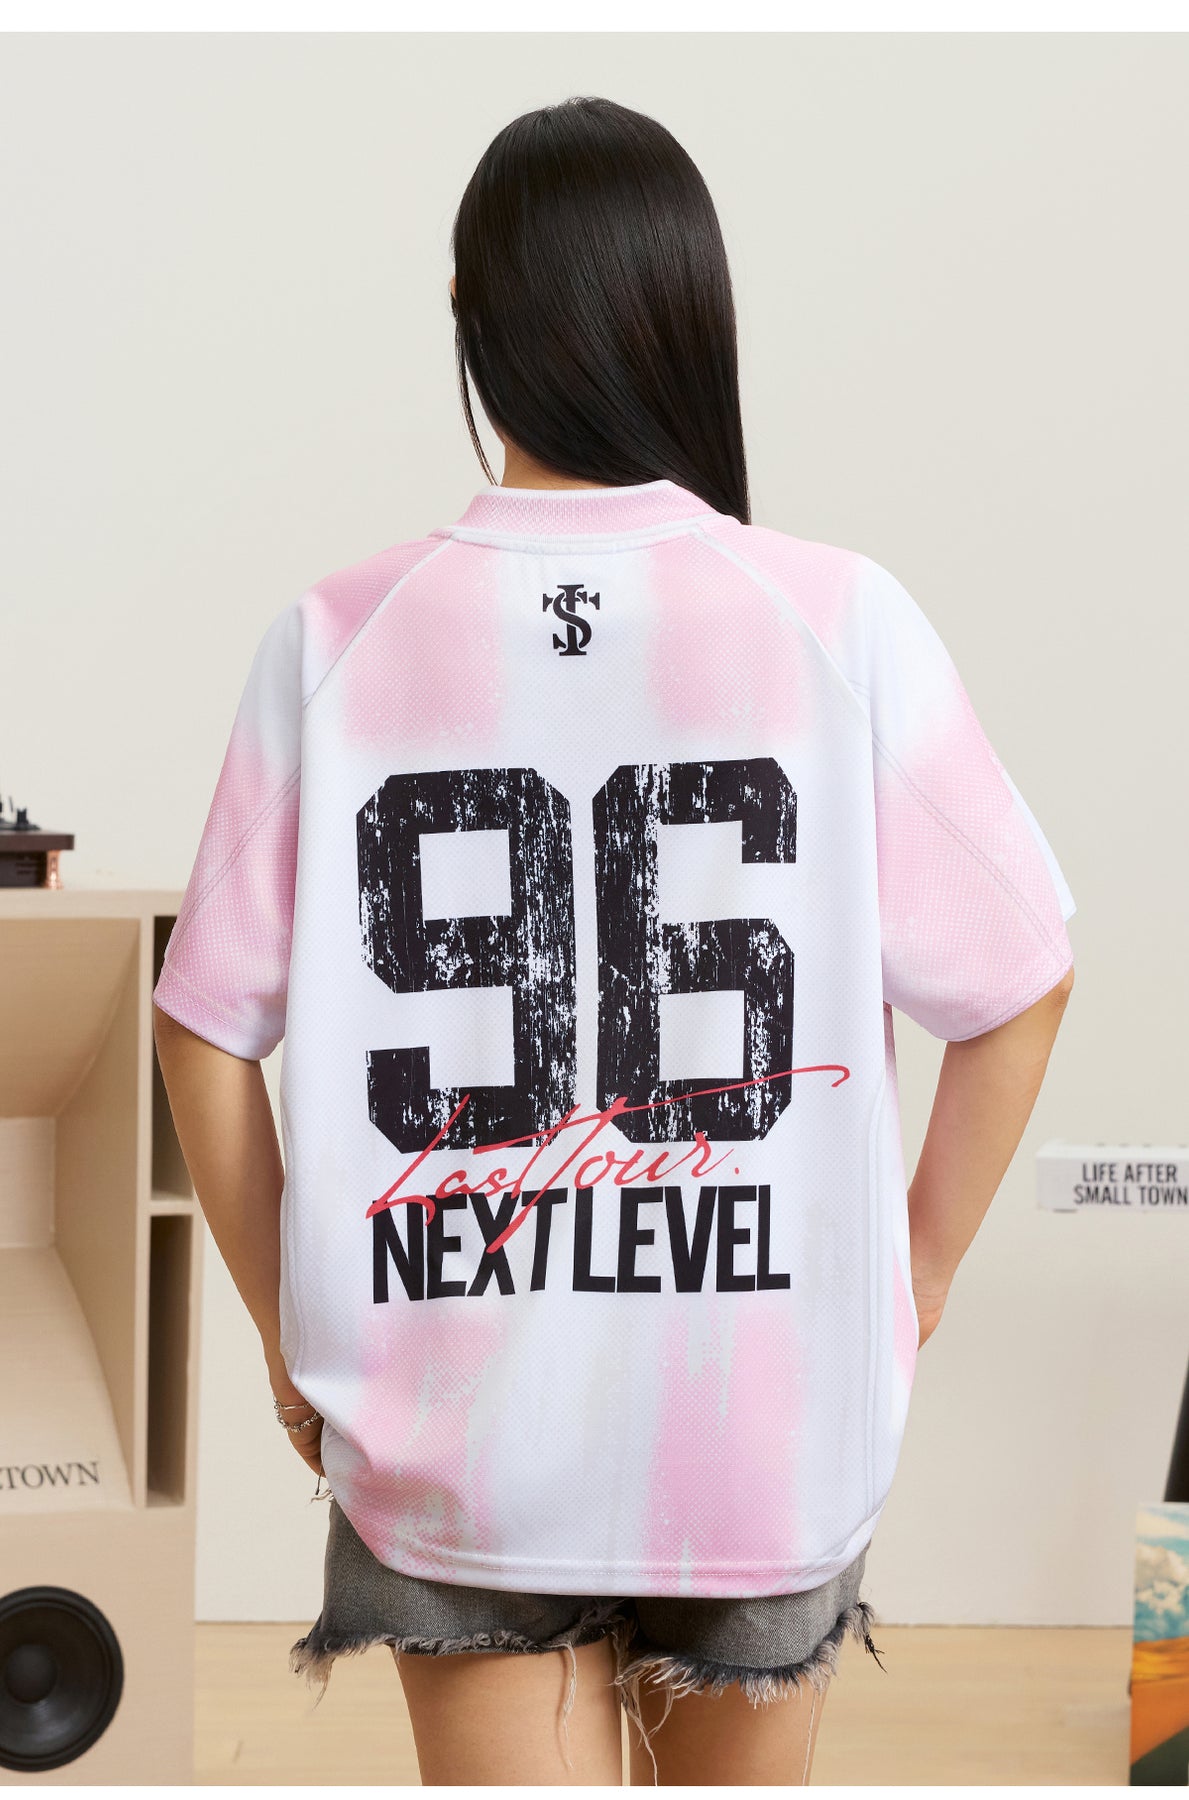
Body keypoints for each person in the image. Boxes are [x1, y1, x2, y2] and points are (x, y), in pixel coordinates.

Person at [152, 94, 1077, 1787]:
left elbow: (201, 1022)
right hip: (760, 1425)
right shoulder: (840, 621)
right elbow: (1020, 979)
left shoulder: (333, 638)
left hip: (449, 1429)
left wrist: (291, 1329)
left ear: (468, 317)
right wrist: (916, 1264)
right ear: (688, 312)